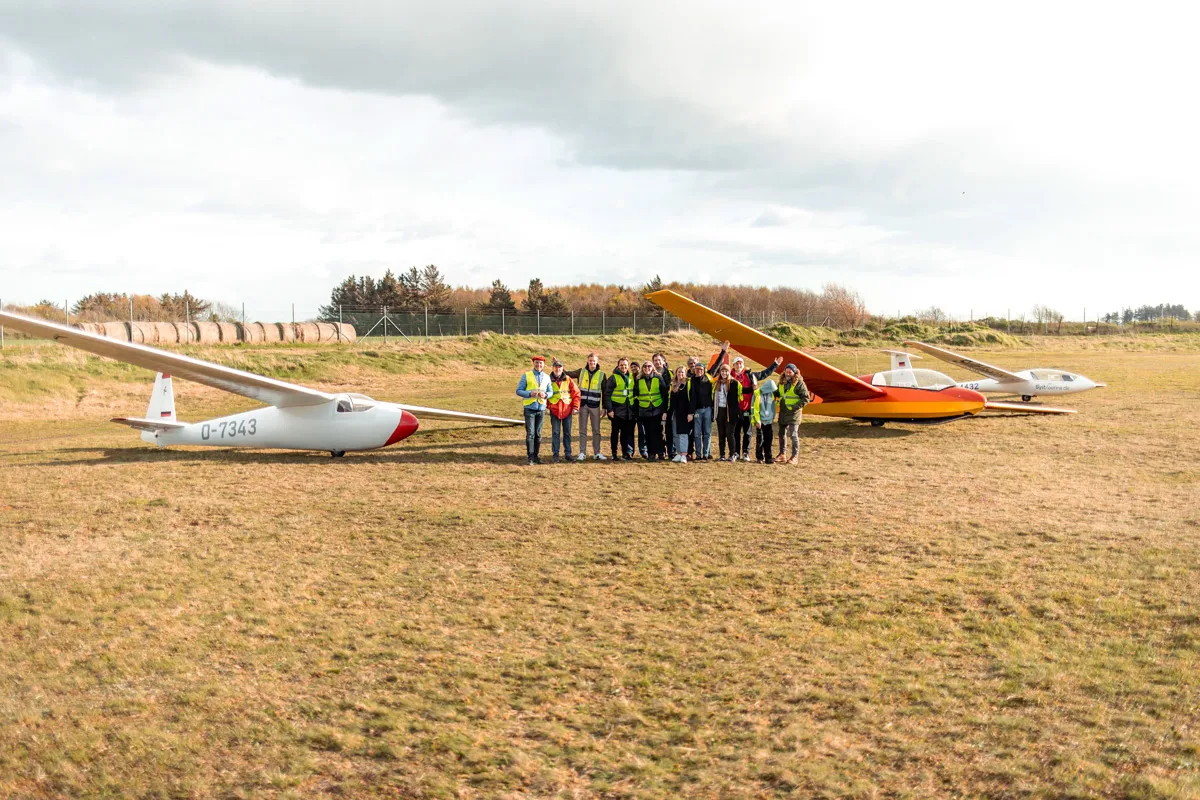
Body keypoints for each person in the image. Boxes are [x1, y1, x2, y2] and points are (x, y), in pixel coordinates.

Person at [712, 340, 782, 462]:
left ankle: (746, 452)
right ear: (733, 365)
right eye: (736, 363)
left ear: (743, 365)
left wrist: (775, 365)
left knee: (748, 432)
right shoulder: (728, 376)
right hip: (734, 409)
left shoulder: (750, 375)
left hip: (748, 407)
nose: (739, 365)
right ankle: (736, 453)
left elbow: (764, 374)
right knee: (735, 432)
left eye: (740, 363)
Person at [566, 352, 607, 461]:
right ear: (587, 361)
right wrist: (557, 364)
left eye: (594, 361)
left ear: (597, 362)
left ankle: (597, 453)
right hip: (582, 405)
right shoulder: (581, 372)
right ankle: (582, 453)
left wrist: (605, 407)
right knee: (582, 430)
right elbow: (567, 374)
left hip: (595, 406)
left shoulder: (602, 375)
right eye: (590, 360)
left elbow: (605, 392)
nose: (592, 362)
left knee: (596, 430)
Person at [515, 355, 552, 465]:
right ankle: (530, 456)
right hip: (529, 408)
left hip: (541, 408)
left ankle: (536, 456)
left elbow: (551, 392)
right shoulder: (526, 375)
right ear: (533, 363)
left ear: (544, 365)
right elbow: (519, 391)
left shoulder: (546, 377)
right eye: (537, 363)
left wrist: (545, 395)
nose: (538, 365)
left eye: (541, 363)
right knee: (530, 433)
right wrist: (529, 394)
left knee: (538, 434)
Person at [775, 362, 810, 465]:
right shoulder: (782, 382)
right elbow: (778, 393)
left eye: (790, 372)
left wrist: (794, 407)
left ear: (794, 373)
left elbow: (806, 398)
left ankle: (795, 456)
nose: (788, 374)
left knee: (793, 435)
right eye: (786, 372)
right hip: (783, 412)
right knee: (781, 434)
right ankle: (782, 454)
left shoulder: (799, 383)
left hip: (794, 413)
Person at [546, 359, 580, 462]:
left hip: (567, 410)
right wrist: (548, 406)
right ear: (553, 368)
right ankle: (555, 454)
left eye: (560, 367)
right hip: (554, 410)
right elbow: (544, 393)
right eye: (556, 367)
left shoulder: (568, 379)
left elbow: (576, 393)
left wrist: (575, 407)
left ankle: (568, 454)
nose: (558, 369)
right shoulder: (548, 379)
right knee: (555, 433)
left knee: (567, 433)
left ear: (562, 368)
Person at [604, 357, 637, 461]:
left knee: (626, 434)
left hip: (628, 411)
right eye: (621, 365)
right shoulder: (613, 378)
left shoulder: (632, 377)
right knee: (615, 433)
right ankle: (614, 453)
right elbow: (607, 395)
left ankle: (625, 453)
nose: (623, 367)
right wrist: (609, 410)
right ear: (618, 366)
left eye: (625, 365)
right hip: (616, 411)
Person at [635, 360, 668, 460]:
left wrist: (664, 410)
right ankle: (651, 453)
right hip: (644, 410)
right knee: (648, 433)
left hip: (657, 408)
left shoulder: (658, 377)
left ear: (652, 367)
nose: (647, 368)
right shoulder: (638, 379)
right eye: (645, 367)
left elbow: (664, 394)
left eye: (649, 366)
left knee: (658, 432)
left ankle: (661, 452)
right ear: (642, 368)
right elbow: (635, 395)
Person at [688, 359, 714, 460]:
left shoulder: (708, 377)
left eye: (701, 369)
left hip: (707, 409)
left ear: (704, 370)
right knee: (697, 433)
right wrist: (691, 412)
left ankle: (706, 454)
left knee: (707, 432)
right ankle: (698, 454)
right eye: (697, 369)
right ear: (694, 370)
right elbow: (692, 398)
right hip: (697, 410)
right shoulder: (692, 380)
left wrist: (723, 351)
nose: (699, 371)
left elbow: (716, 364)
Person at [651, 353, 674, 458]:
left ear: (664, 361)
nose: (657, 362)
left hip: (669, 406)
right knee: (658, 430)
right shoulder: (651, 374)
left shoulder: (670, 373)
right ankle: (661, 451)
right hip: (656, 405)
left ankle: (671, 452)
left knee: (669, 430)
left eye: (659, 360)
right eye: (655, 360)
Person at [752, 372, 778, 464]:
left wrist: (772, 417)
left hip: (769, 421)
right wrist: (757, 420)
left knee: (769, 440)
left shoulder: (771, 394)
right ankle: (759, 457)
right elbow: (754, 408)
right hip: (761, 421)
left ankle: (768, 458)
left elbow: (773, 406)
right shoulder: (757, 393)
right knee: (760, 440)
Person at [668, 366, 692, 463]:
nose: (680, 374)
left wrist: (690, 412)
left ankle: (684, 454)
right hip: (674, 412)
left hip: (684, 412)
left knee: (683, 433)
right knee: (675, 433)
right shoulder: (672, 384)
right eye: (678, 372)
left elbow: (691, 399)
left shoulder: (688, 384)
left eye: (682, 372)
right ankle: (678, 452)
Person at [712, 362, 735, 461]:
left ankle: (732, 454)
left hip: (729, 411)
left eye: (726, 371)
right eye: (722, 371)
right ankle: (722, 454)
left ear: (729, 372)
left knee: (729, 434)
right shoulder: (717, 383)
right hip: (719, 410)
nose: (724, 373)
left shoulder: (733, 382)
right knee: (721, 434)